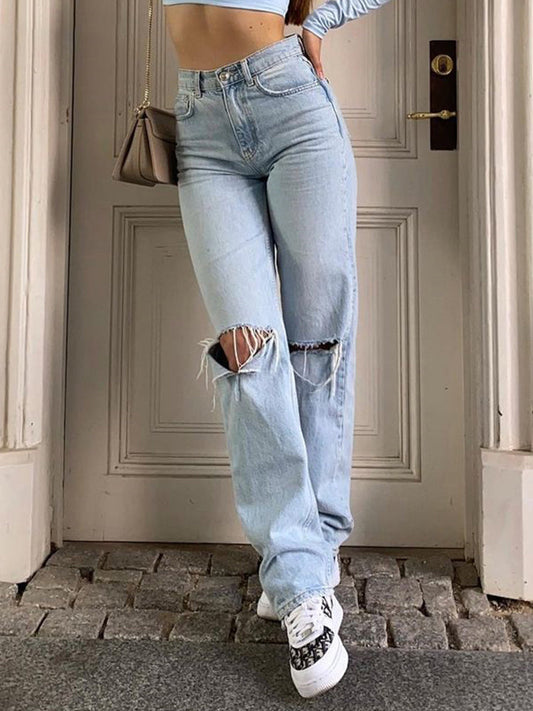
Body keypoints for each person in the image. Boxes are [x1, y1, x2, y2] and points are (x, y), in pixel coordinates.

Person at [163, 0, 392, 697]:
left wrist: (321, 18)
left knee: (316, 344)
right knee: (246, 354)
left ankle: (307, 559)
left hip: (290, 102)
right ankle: (300, 572)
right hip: (200, 122)